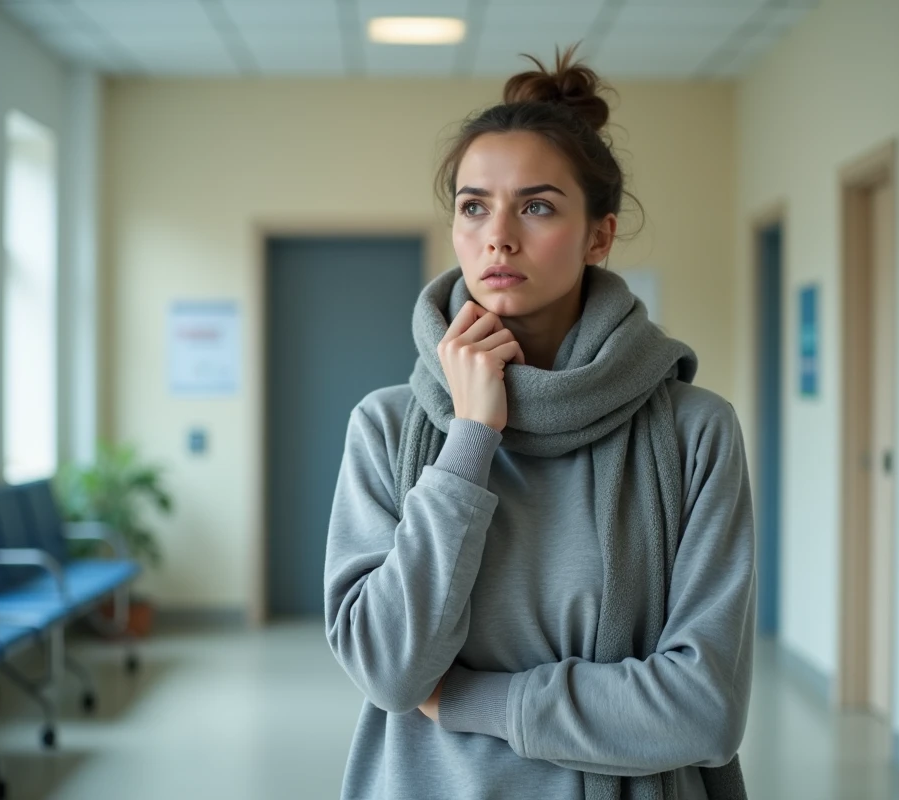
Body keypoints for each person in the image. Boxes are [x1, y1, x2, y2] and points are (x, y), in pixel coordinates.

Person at [325, 46, 754, 800]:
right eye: (473, 205)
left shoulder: (695, 432)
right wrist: (469, 440)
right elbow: (390, 670)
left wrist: (466, 699)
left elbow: (705, 709)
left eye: (538, 205)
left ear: (599, 235)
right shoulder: (386, 427)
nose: (499, 235)